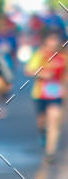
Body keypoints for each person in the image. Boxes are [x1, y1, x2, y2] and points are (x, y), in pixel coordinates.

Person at [25, 29, 67, 162]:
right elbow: (29, 70)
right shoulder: (40, 55)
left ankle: (50, 153)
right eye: (51, 40)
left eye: (56, 40)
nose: (53, 43)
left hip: (56, 94)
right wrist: (42, 74)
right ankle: (43, 133)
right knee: (42, 121)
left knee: (54, 121)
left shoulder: (64, 57)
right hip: (40, 94)